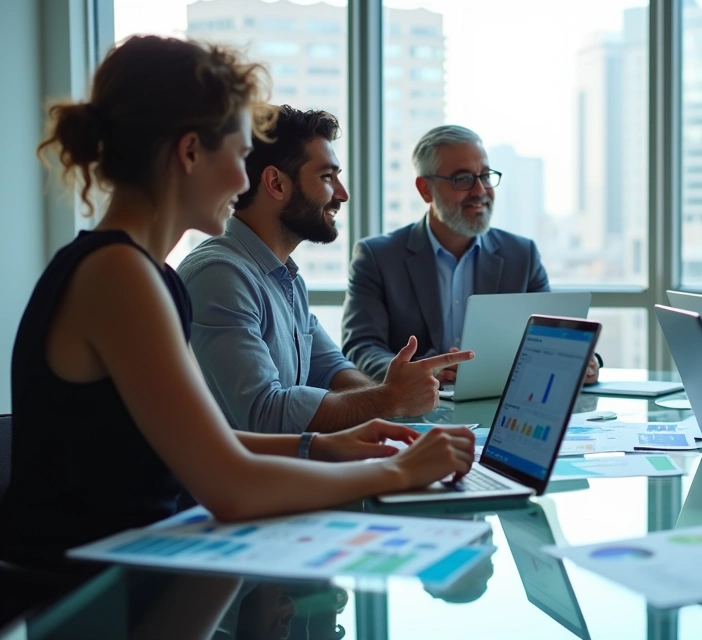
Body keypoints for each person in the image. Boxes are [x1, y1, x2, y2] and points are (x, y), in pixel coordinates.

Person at [0, 37, 475, 614]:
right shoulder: (120, 275)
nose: (243, 179)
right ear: (190, 152)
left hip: (135, 575)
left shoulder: (143, 273)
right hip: (85, 601)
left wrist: (324, 445)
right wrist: (398, 471)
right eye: (240, 153)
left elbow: (191, 444)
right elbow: (230, 486)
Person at [178, 107, 472, 434]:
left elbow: (330, 368)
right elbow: (263, 413)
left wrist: (389, 393)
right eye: (327, 177)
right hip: (238, 484)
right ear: (276, 183)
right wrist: (390, 398)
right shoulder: (221, 275)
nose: (342, 193)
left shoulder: (285, 277)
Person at [341, 125, 599, 385]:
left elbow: (552, 336)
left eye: (485, 176)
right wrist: (421, 371)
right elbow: (361, 346)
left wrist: (585, 360)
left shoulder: (522, 255)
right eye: (462, 179)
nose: (480, 191)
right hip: (413, 410)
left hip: (500, 405)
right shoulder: (377, 257)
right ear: (425, 189)